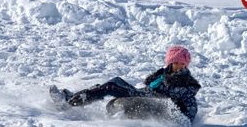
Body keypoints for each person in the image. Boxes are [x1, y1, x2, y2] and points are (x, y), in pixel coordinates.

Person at [50, 46, 201, 122]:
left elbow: (187, 107)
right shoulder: (162, 75)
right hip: (146, 97)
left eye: (182, 64)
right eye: (175, 63)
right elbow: (150, 89)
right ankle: (73, 99)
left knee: (114, 87)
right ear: (170, 63)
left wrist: (181, 119)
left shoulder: (187, 83)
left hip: (164, 110)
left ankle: (69, 103)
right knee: (115, 82)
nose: (179, 66)